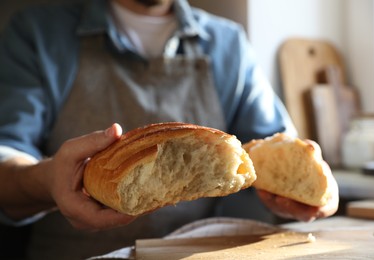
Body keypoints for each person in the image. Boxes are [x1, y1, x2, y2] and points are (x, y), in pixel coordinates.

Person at [0, 0, 339, 259]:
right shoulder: (38, 33)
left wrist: (305, 192)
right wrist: (47, 180)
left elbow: (277, 150)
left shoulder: (227, 43)